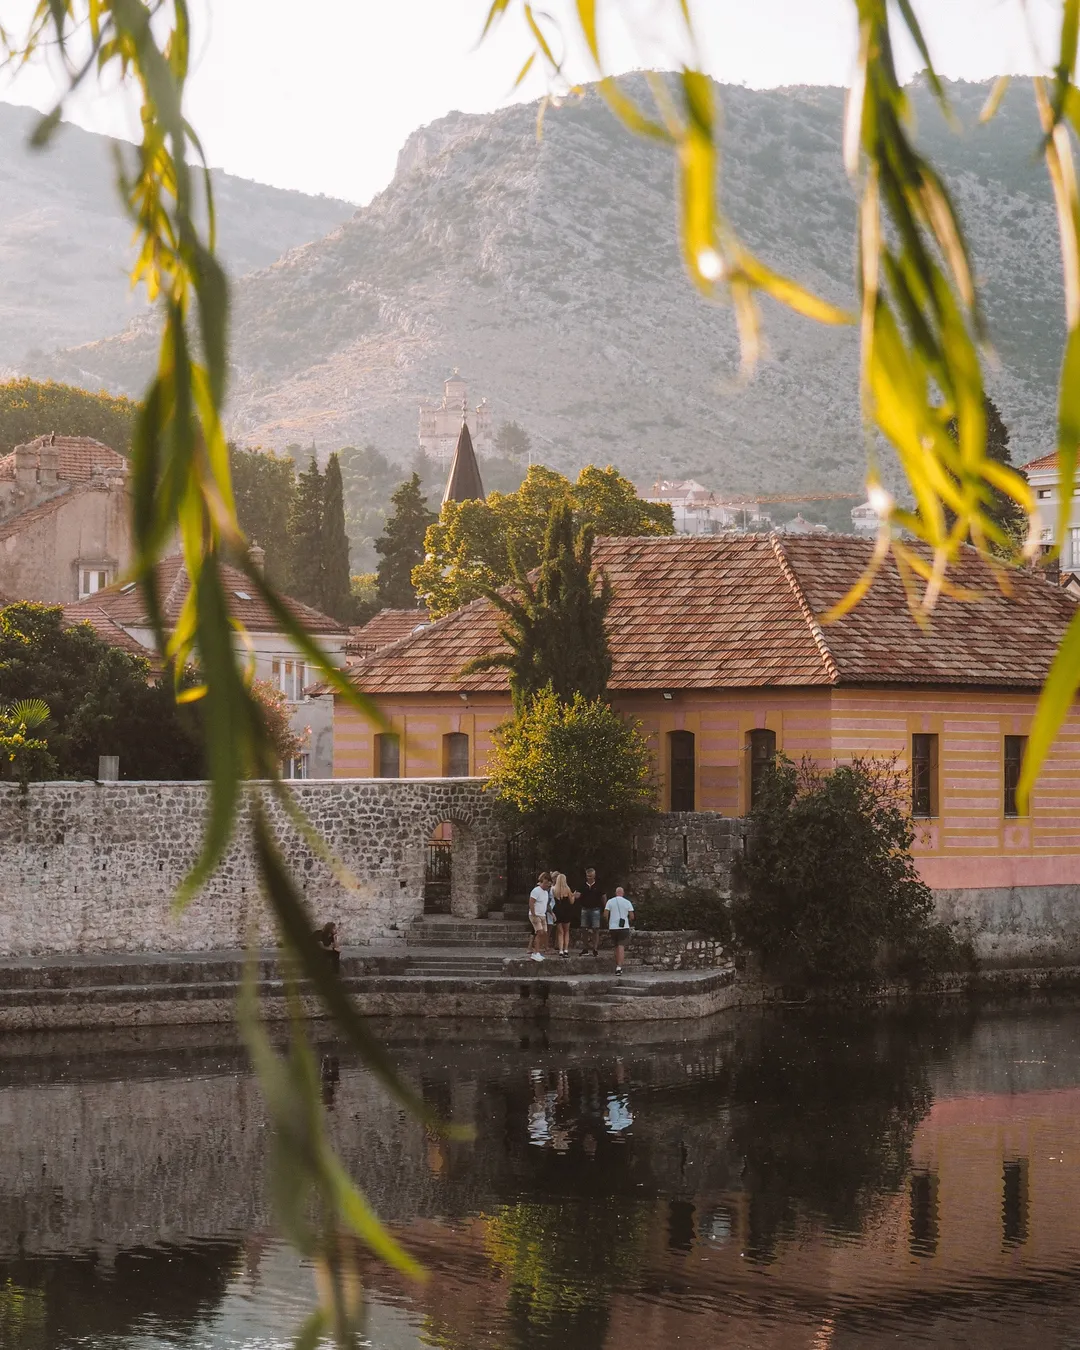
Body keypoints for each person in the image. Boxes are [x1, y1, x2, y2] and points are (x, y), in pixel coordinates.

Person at [604, 886, 635, 975]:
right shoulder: (627, 902)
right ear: (623, 893)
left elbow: (605, 914)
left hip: (613, 927)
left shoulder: (610, 901)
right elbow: (632, 916)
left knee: (616, 946)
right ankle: (619, 967)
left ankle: (617, 963)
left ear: (615, 893)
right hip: (624, 927)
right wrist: (627, 920)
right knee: (621, 946)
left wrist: (608, 922)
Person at [575, 866, 606, 956]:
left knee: (595, 929)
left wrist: (605, 909)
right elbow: (578, 894)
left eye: (591, 876)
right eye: (588, 876)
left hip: (595, 909)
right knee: (584, 928)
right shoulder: (582, 884)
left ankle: (595, 948)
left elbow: (603, 896)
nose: (589, 878)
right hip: (585, 908)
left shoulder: (599, 884)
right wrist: (575, 895)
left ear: (594, 876)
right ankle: (585, 948)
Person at [551, 872, 577, 957]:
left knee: (560, 932)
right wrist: (573, 895)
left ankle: (560, 950)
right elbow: (571, 901)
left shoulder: (554, 889)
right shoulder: (567, 889)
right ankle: (566, 949)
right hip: (567, 910)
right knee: (566, 931)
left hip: (558, 911)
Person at [527, 872, 551, 961]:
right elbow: (531, 902)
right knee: (539, 932)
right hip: (536, 915)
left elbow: (546, 904)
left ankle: (537, 950)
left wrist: (551, 913)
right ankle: (535, 952)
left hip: (542, 915)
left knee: (544, 933)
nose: (546, 885)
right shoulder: (536, 890)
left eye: (548, 883)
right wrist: (534, 914)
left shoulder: (546, 893)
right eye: (545, 883)